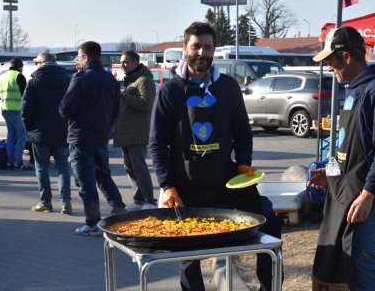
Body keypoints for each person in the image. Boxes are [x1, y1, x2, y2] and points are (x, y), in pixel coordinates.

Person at [149, 22, 281, 291]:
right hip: (185, 185)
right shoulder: (170, 92)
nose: (201, 53)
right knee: (188, 255)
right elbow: (157, 144)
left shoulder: (228, 87)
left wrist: (243, 162)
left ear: (214, 50)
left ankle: (269, 287)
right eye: (196, 46)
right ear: (185, 49)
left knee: (269, 223)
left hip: (226, 181)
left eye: (207, 47)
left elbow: (243, 131)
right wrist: (167, 184)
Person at [308, 26, 375, 290]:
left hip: (363, 198)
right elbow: (353, 148)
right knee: (348, 263)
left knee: (362, 264)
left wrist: (368, 194)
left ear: (347, 57)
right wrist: (331, 176)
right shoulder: (354, 90)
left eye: (331, 61)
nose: (329, 68)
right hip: (347, 193)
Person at [60, 41, 126, 236]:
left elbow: (65, 109)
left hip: (81, 137)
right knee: (103, 175)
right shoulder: (109, 79)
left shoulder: (80, 79)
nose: (77, 61)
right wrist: (106, 126)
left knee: (86, 181)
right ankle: (119, 209)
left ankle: (93, 222)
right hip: (101, 136)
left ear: (86, 57)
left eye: (79, 56)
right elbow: (116, 109)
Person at [22, 52, 72, 214]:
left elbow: (26, 109)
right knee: (63, 166)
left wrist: (28, 128)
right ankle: (66, 203)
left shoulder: (35, 81)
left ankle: (45, 202)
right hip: (62, 130)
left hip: (40, 131)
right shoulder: (67, 80)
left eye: (36, 62)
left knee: (41, 167)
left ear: (41, 63)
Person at [113, 51, 157, 211]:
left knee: (139, 167)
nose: (123, 65)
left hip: (137, 132)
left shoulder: (144, 80)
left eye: (126, 62)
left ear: (135, 62)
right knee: (130, 168)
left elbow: (146, 104)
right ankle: (138, 200)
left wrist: (124, 95)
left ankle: (150, 201)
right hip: (126, 131)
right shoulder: (131, 80)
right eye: (121, 62)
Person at [0, 57, 32, 170]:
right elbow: (25, 95)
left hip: (5, 109)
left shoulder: (1, 76)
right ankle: (18, 163)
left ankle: (9, 162)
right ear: (20, 66)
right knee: (22, 136)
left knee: (11, 136)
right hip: (16, 110)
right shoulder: (19, 76)